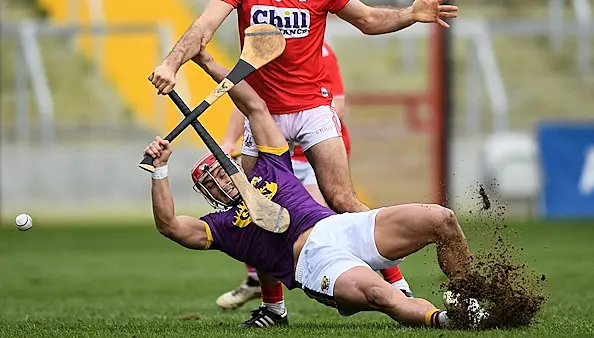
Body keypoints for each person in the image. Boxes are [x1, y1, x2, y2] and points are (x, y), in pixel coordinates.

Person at [151, 0, 457, 326]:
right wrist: (171, 65)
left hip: (312, 106)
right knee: (261, 213)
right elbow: (202, 27)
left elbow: (367, 18)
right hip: (265, 111)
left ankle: (397, 283)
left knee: (341, 198)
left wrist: (410, 14)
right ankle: (273, 309)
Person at [215, 42, 412, 312]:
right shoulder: (260, 52)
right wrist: (229, 140)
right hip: (276, 157)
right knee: (259, 217)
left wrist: (297, 129)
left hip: (308, 155)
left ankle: (397, 283)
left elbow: (337, 106)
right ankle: (268, 299)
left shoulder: (319, 52)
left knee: (326, 217)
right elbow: (245, 103)